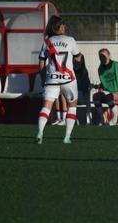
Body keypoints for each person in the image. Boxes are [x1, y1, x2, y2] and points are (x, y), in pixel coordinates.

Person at [35, 16, 83, 144]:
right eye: (63, 25)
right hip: (68, 79)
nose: (64, 27)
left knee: (46, 107)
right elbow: (78, 57)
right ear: (59, 27)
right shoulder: (70, 40)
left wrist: (43, 78)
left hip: (52, 80)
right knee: (72, 106)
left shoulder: (47, 42)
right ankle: (67, 137)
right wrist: (77, 67)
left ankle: (40, 133)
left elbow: (41, 62)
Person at [92, 49, 118, 126]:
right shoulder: (100, 69)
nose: (102, 58)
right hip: (107, 92)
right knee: (95, 97)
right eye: (100, 56)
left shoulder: (116, 65)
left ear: (109, 55)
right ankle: (102, 120)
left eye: (104, 55)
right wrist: (99, 86)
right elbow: (105, 83)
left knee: (108, 97)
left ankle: (114, 120)